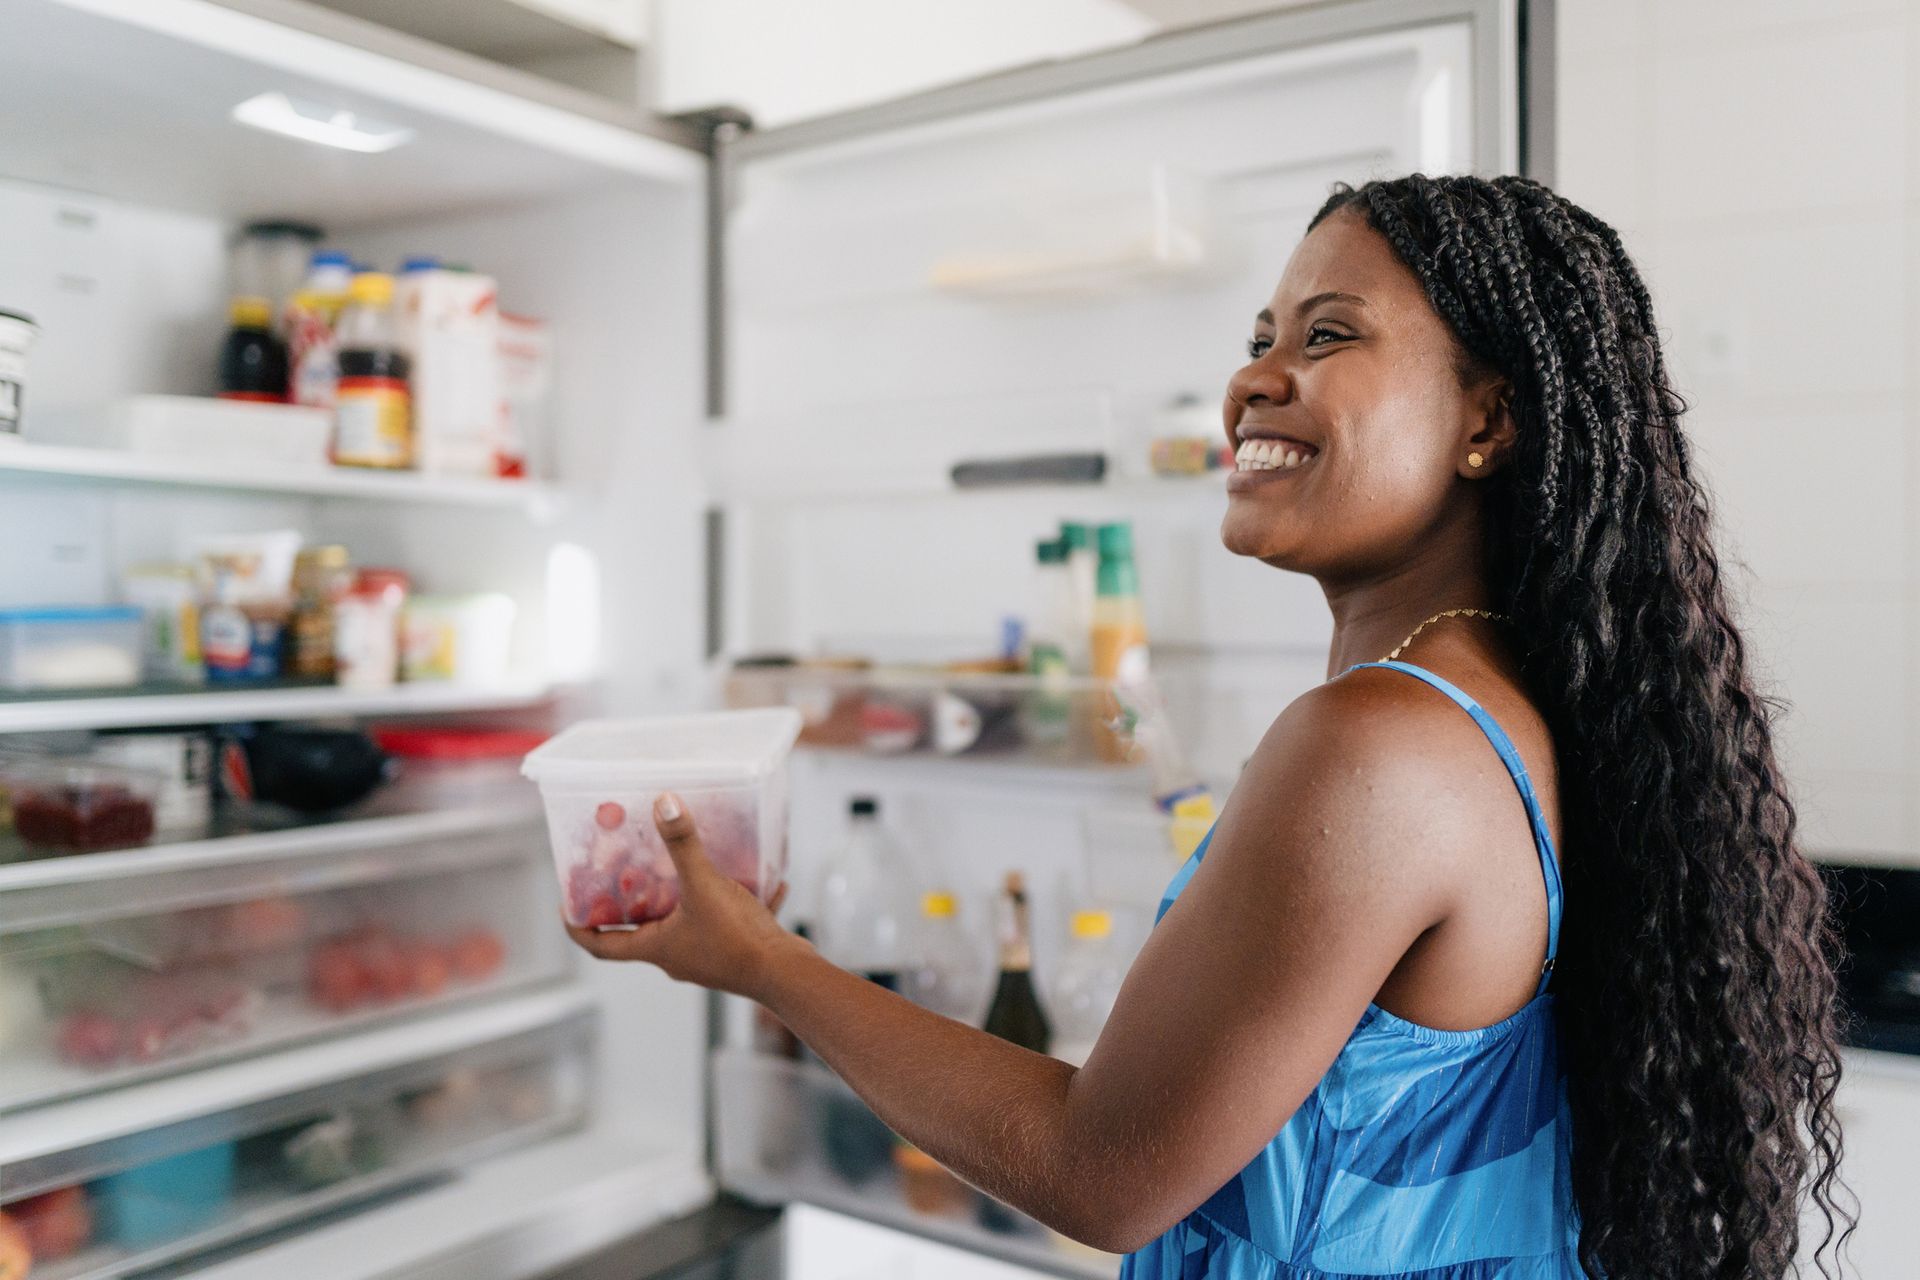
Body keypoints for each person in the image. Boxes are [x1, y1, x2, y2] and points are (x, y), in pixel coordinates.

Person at [569, 174, 1851, 1279]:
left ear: (1489, 421)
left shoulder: (1375, 743)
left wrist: (756, 957)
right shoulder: (1504, 705)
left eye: (1329, 334)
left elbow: (1099, 1172)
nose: (1254, 378)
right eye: (1260, 335)